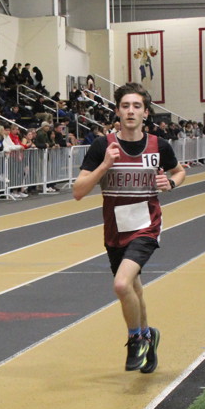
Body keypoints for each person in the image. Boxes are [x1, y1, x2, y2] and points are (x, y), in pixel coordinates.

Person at [72, 82, 185, 374]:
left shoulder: (159, 146)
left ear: (146, 113)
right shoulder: (103, 146)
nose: (131, 111)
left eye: (137, 106)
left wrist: (171, 183)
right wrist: (105, 165)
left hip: (146, 226)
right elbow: (78, 191)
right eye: (125, 106)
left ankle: (136, 338)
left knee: (122, 284)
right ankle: (149, 335)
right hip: (115, 230)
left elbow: (179, 171)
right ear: (118, 111)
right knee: (134, 288)